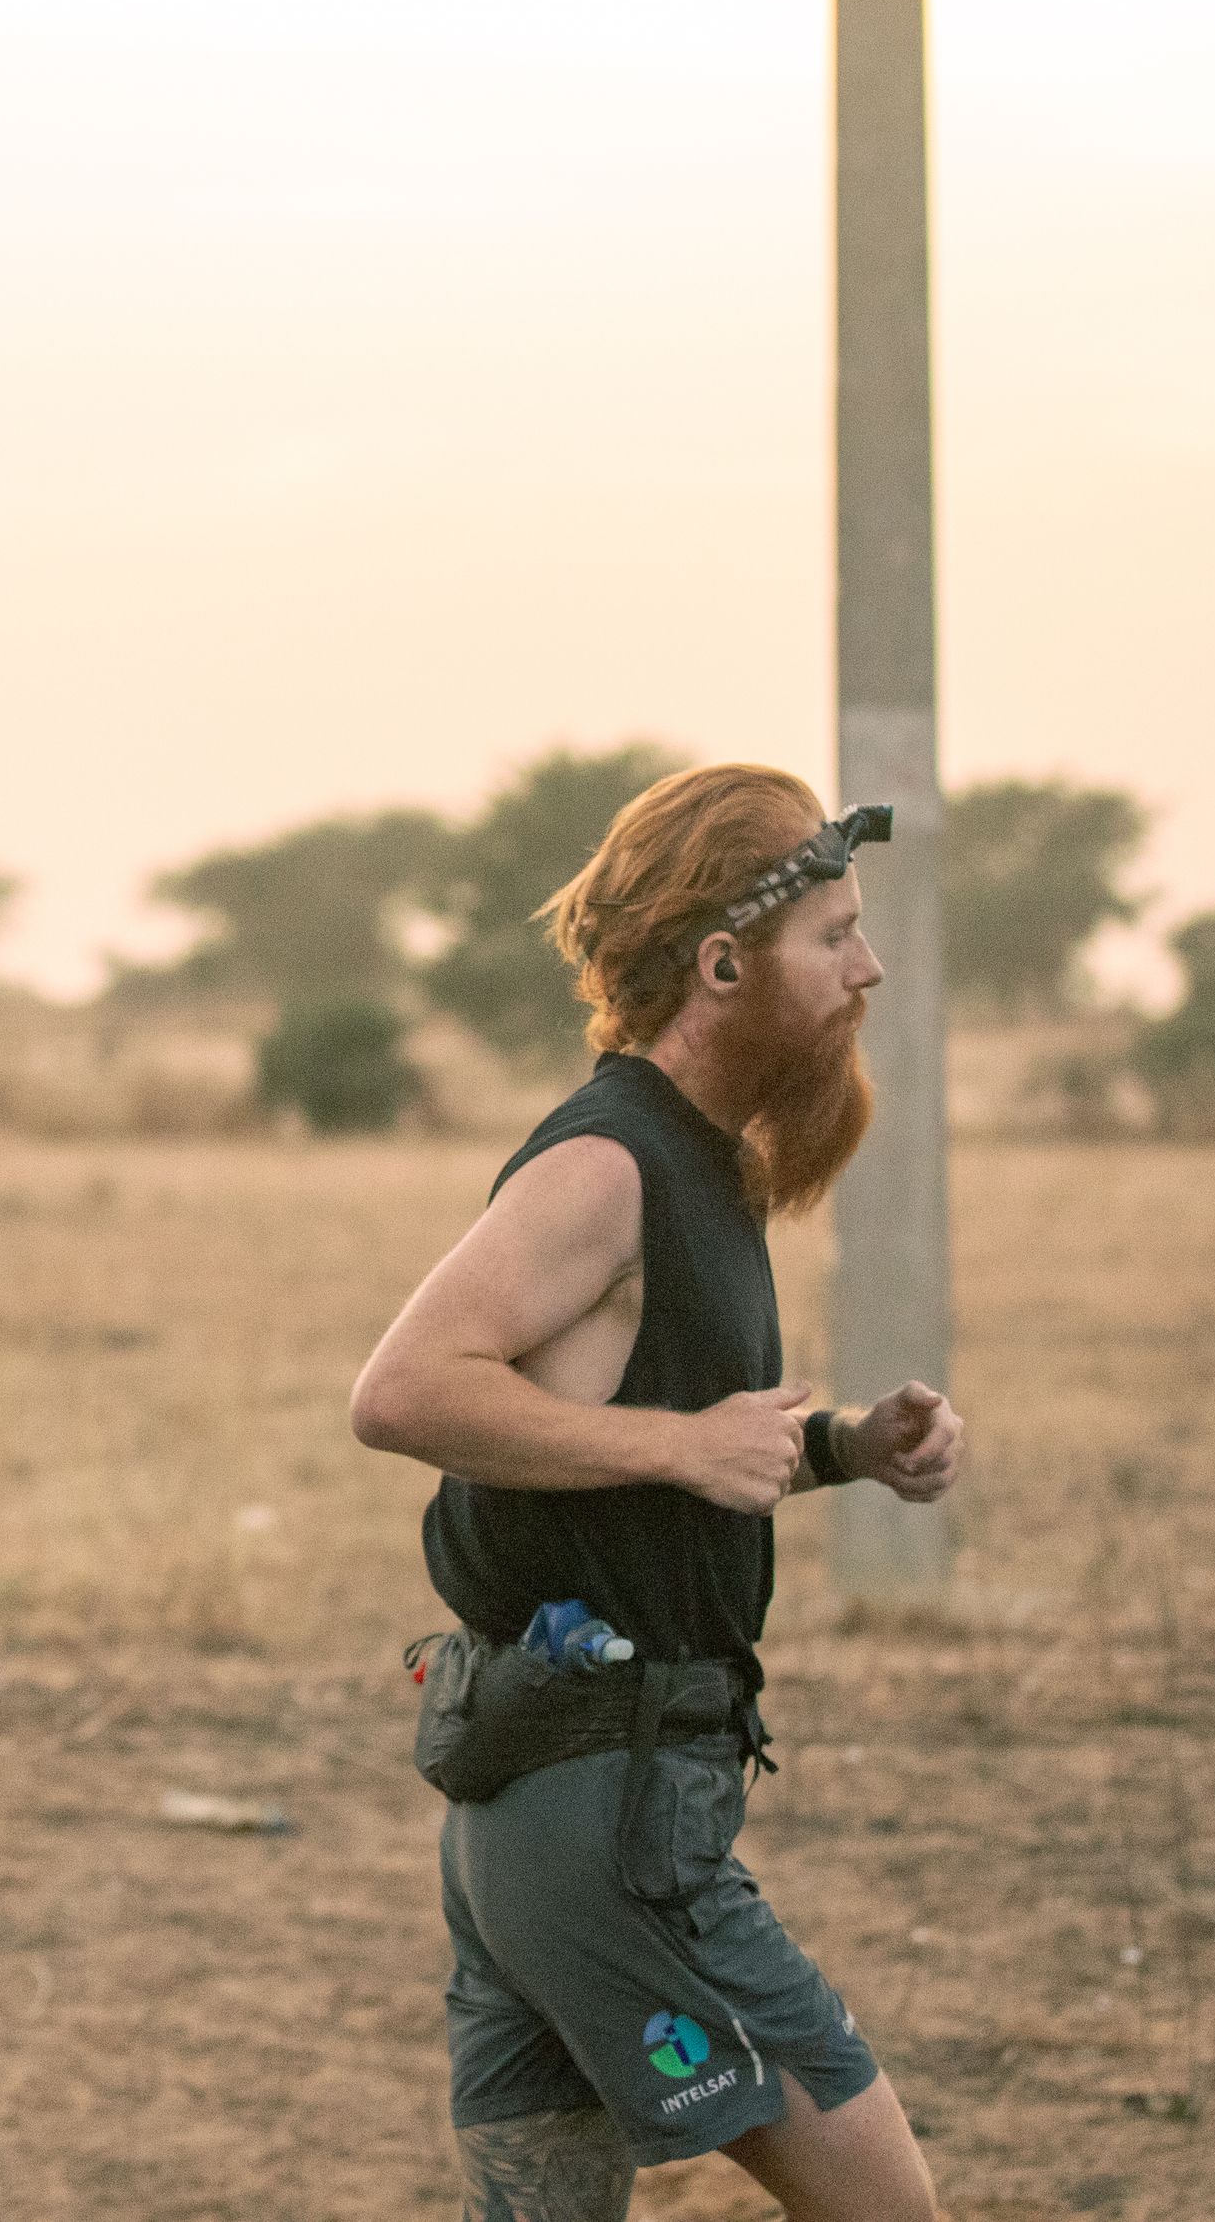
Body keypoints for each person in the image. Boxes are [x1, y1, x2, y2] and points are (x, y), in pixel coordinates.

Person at [349, 764, 966, 2222]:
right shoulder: (606, 1167)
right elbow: (404, 1391)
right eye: (837, 935)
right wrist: (689, 1451)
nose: (868, 967)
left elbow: (613, 1430)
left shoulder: (701, 1166)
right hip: (608, 1822)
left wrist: (839, 1448)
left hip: (539, 1818)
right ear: (724, 962)